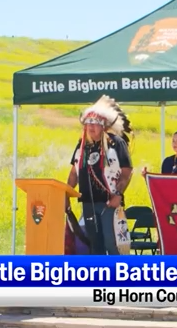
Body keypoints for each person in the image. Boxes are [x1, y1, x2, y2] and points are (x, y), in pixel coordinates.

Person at [65, 95, 134, 255]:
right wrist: (66, 194)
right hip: (88, 203)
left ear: (104, 125)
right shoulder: (82, 145)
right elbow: (74, 172)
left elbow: (127, 171)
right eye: (88, 123)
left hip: (109, 203)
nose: (91, 126)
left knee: (113, 243)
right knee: (95, 245)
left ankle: (121, 276)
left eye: (95, 123)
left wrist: (118, 194)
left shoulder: (116, 142)